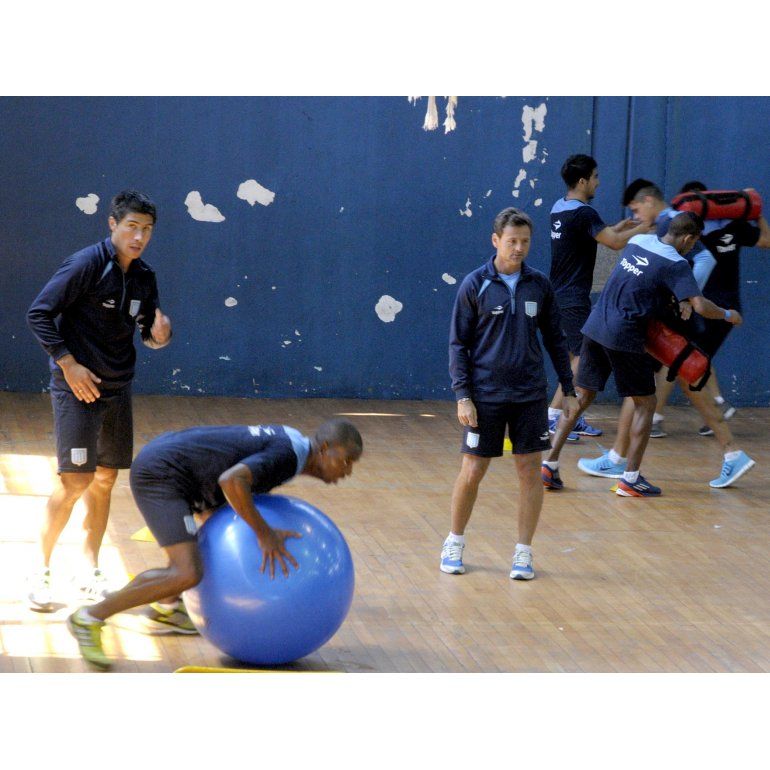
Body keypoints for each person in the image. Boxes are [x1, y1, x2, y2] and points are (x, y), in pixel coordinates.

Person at [66, 418, 363, 669]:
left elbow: (230, 483)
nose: (347, 470)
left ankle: (167, 610)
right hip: (162, 474)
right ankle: (89, 617)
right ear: (324, 448)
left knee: (201, 550)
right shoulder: (288, 455)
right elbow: (231, 481)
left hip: (185, 474)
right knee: (185, 572)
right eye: (346, 460)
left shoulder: (293, 445)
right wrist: (265, 534)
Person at [26, 190, 172, 609]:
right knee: (75, 481)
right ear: (113, 224)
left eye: (147, 230)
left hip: (118, 389)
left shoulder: (144, 276)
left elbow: (147, 331)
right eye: (132, 227)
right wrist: (69, 364)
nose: (139, 237)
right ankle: (40, 570)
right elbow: (38, 313)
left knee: (106, 478)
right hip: (78, 388)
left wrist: (159, 336)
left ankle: (88, 568)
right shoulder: (86, 264)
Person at [541, 212, 747, 496]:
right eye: (693, 242)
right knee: (646, 404)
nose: (691, 247)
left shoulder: (638, 241)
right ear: (688, 238)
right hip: (624, 333)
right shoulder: (676, 263)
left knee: (582, 395)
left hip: (596, 325)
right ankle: (631, 479)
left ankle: (549, 464)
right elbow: (700, 305)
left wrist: (678, 300)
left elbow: (642, 283)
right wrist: (727, 314)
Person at [443, 207, 577, 580]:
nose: (519, 248)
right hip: (484, 395)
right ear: (496, 241)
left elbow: (555, 339)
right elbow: (458, 345)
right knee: (473, 468)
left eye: (525, 241)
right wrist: (463, 395)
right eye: (512, 241)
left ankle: (523, 552)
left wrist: (568, 388)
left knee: (529, 469)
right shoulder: (475, 285)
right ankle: (454, 541)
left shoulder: (539, 285)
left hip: (529, 395)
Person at [644, 181, 770, 438]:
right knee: (695, 356)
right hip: (725, 306)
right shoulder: (736, 226)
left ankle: (658, 417)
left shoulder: (694, 233)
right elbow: (766, 240)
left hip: (704, 307)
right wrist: (755, 213)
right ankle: (717, 405)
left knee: (676, 358)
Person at [547, 155, 652, 442]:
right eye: (595, 177)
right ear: (582, 181)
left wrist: (622, 227)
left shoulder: (560, 208)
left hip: (558, 294)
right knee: (582, 359)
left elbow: (598, 235)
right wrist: (644, 227)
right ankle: (554, 417)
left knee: (574, 358)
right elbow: (613, 243)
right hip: (572, 298)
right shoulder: (585, 213)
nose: (598, 182)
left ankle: (565, 416)